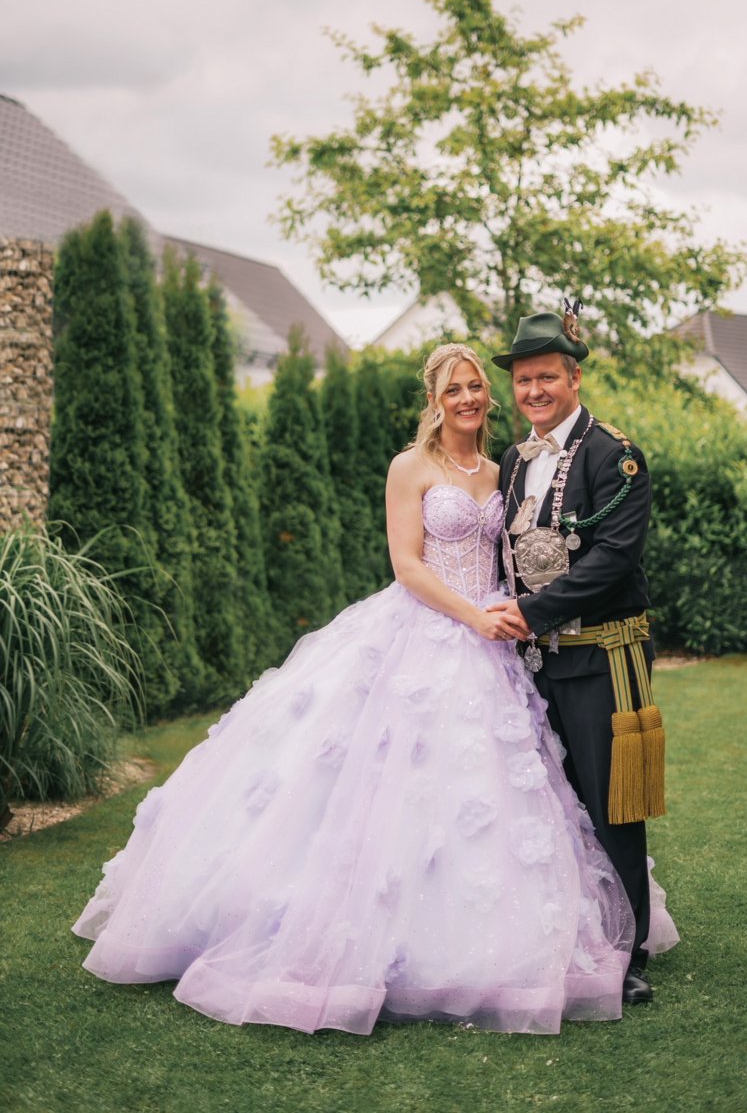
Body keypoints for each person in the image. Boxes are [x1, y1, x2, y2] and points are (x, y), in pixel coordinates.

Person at [73, 343, 676, 1035]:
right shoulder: (409, 467)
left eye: (476, 386)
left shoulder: (508, 467)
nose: (469, 398)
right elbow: (408, 566)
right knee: (389, 783)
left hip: (506, 645)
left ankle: (594, 939)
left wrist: (513, 615)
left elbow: (541, 553)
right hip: (436, 628)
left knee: (529, 787)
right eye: (455, 389)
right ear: (435, 400)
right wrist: (476, 615)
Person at [488, 309, 673, 1005]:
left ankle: (628, 952)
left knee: (610, 802)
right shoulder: (514, 460)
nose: (534, 391)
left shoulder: (615, 455)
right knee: (553, 802)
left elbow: (614, 558)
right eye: (523, 380)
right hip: (534, 662)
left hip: (602, 657)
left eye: (546, 377)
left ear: (574, 378)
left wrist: (528, 614)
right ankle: (577, 937)